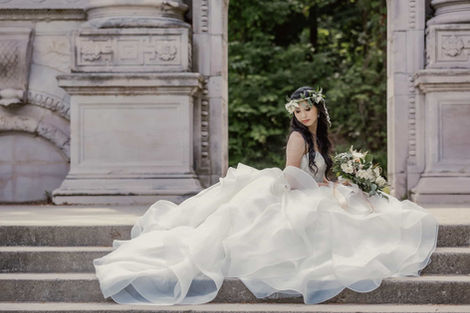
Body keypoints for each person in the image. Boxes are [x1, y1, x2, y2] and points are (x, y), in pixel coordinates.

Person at [93, 86, 439, 305]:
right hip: (294, 189)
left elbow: (320, 171)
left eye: (307, 108)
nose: (303, 114)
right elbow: (292, 174)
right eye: (298, 110)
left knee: (364, 202)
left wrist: (341, 182)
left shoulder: (321, 141)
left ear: (319, 109)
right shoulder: (298, 138)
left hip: (312, 187)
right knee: (327, 215)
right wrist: (324, 188)